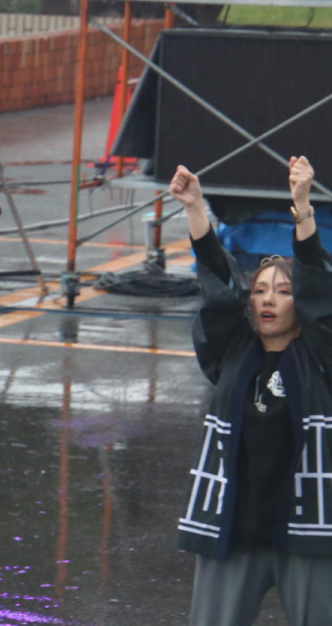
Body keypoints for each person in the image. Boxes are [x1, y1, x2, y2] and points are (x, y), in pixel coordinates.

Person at [168, 158, 332, 626]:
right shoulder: (232, 353)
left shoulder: (321, 358)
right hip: (232, 527)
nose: (267, 299)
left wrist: (302, 208)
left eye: (283, 292)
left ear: (301, 304)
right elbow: (218, 289)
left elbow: (320, 294)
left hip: (307, 530)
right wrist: (196, 209)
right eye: (260, 290)